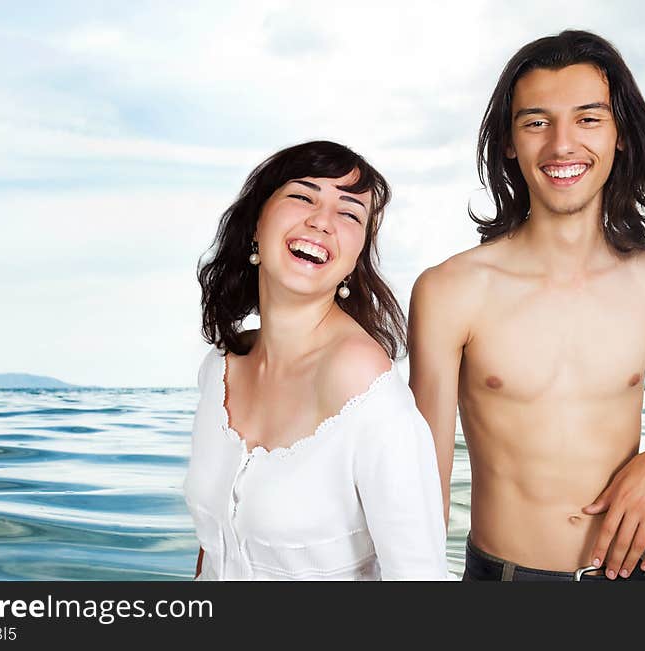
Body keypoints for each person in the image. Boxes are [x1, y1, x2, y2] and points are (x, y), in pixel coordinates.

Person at [408, 30, 645, 581]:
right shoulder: (450, 289)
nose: (561, 146)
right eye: (536, 122)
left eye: (588, 119)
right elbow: (419, 487)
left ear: (620, 134)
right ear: (509, 142)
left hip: (640, 580)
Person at [183, 140, 449, 580]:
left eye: (348, 213)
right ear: (256, 224)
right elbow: (216, 549)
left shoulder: (368, 393)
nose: (321, 221)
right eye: (302, 196)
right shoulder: (220, 368)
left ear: (355, 256)